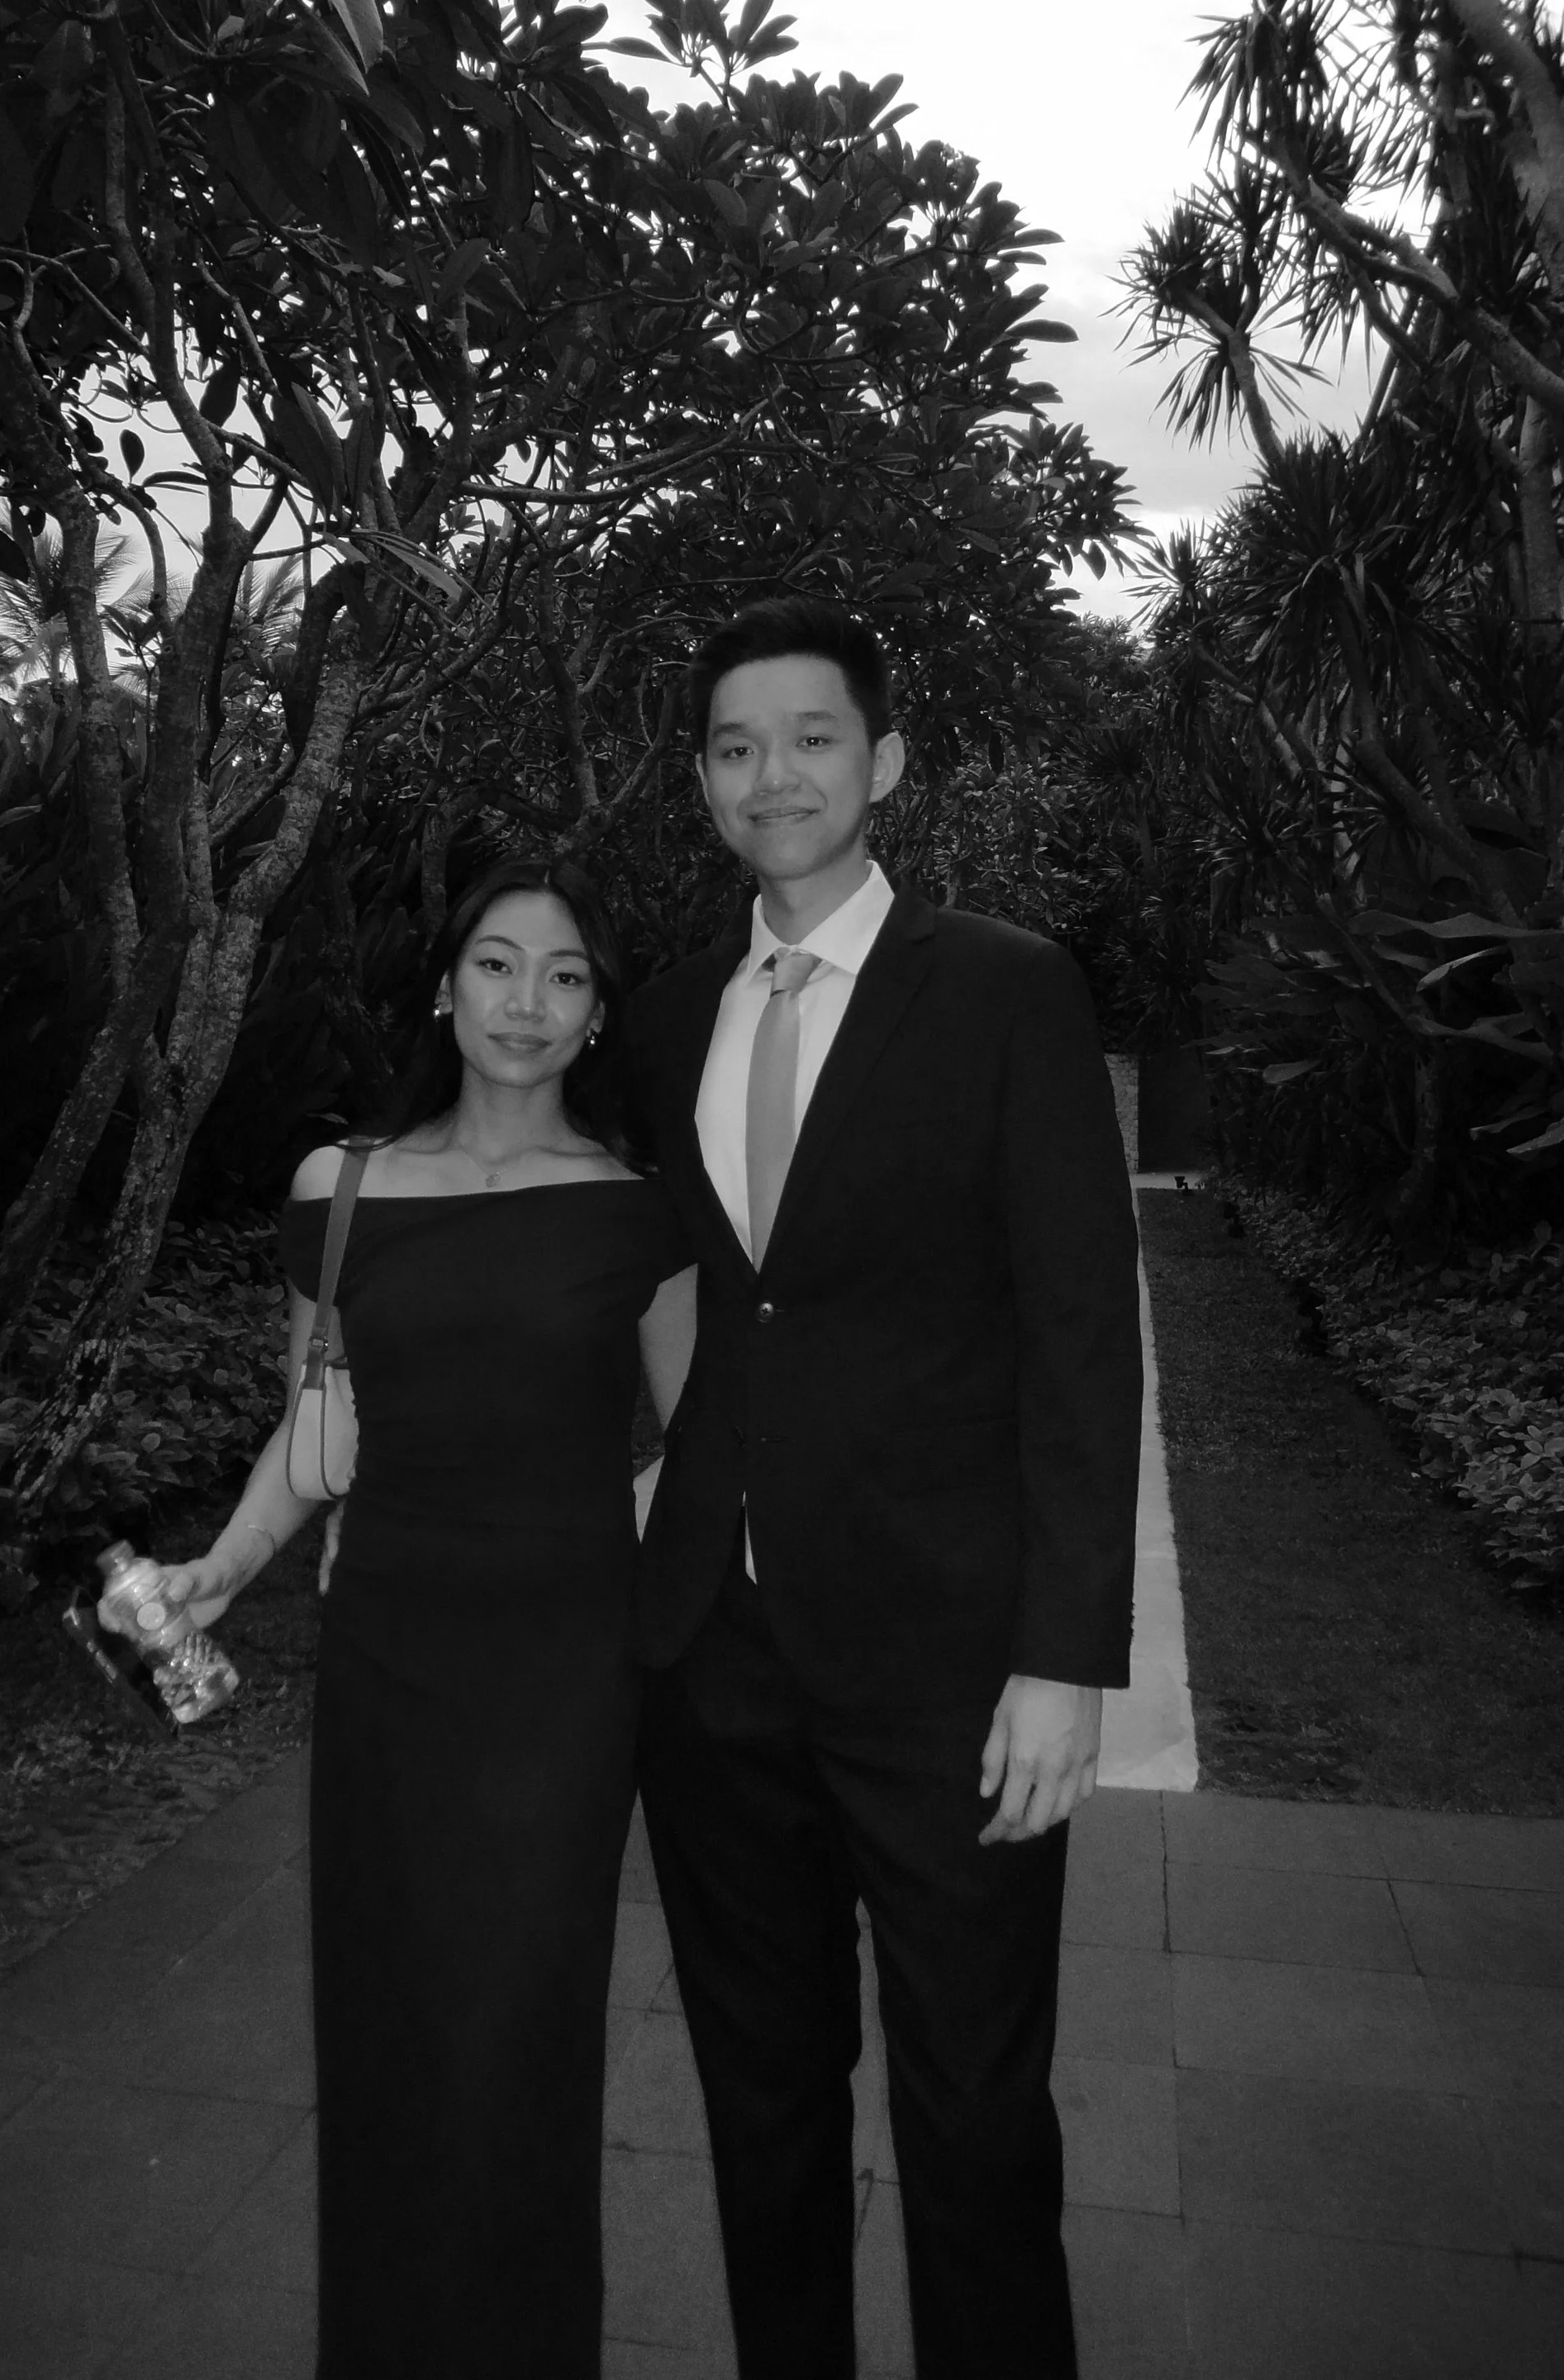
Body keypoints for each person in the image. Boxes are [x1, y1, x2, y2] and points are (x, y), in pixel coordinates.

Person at [622, 598, 1142, 2380]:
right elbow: (680, 1282)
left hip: (946, 1670)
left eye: (812, 737)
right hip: (715, 1661)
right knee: (760, 2106)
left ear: (883, 763)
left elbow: (1083, 1335)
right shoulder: (676, 1001)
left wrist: (1064, 1654)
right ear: (703, 782)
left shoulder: (999, 986)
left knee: (974, 2119)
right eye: (735, 745)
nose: (774, 774)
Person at [144, 857, 696, 2379]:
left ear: (597, 1014)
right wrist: (225, 1570)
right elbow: (322, 1432)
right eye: (499, 966)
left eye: (567, 974)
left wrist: (619, 1544)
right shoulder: (346, 1189)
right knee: (388, 2022)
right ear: (445, 988)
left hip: (564, 1670)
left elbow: (708, 1441)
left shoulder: (639, 1211)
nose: (528, 1001)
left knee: (520, 2022)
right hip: (392, 1651)